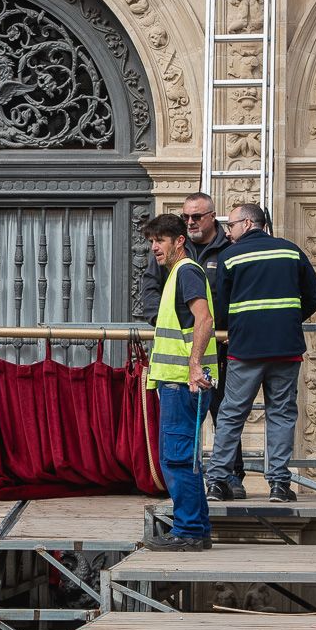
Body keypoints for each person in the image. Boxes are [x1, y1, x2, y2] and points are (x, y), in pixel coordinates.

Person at [203, 204, 316, 504]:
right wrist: (288, 320)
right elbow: (314, 297)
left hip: (245, 348)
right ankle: (280, 485)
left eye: (230, 225)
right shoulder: (291, 251)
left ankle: (217, 482)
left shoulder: (230, 256)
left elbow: (222, 306)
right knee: (281, 415)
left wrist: (232, 329)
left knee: (231, 414)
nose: (227, 232)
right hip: (286, 347)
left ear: (248, 223)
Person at [134, 192, 246, 495]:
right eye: (186, 217)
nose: (191, 221)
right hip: (183, 354)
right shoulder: (168, 255)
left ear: (212, 217)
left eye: (197, 216)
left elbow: (228, 301)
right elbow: (150, 289)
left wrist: (229, 329)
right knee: (181, 447)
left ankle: (228, 476)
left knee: (225, 411)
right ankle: (194, 512)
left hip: (218, 347)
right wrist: (163, 318)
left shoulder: (228, 250)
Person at [141, 214, 216, 552]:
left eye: (160, 240)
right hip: (179, 382)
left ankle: (188, 531)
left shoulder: (186, 272)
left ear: (179, 241)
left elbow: (205, 319)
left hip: (181, 384)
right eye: (152, 240)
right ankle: (195, 529)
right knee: (182, 457)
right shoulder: (177, 275)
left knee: (177, 458)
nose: (154, 246)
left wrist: (194, 366)